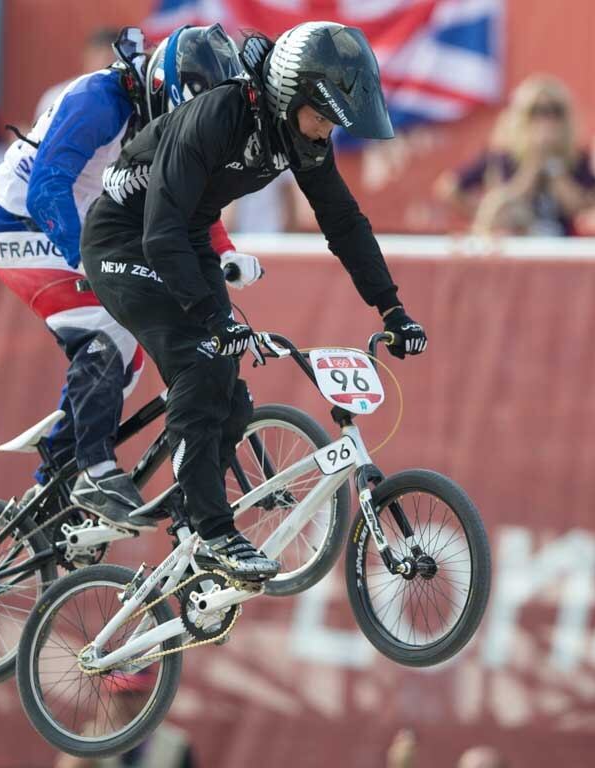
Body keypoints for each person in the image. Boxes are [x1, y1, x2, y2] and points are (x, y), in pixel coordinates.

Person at [82, 22, 428, 580]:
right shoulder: (218, 115)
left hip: (183, 238)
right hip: (127, 239)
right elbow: (159, 231)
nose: (325, 133)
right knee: (200, 359)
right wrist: (209, 317)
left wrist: (392, 309)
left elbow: (342, 222)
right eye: (321, 118)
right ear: (290, 97)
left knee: (231, 389)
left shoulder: (302, 136)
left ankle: (189, 514)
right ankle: (209, 528)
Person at [0, 25, 260, 522]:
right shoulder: (97, 101)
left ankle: (58, 477)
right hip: (22, 223)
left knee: (134, 351)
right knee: (106, 325)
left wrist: (226, 252)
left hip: (89, 224)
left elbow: (189, 201)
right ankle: (92, 469)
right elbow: (47, 188)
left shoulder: (172, 117)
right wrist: (84, 258)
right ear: (164, 92)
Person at [434, 74, 595, 236]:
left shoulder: (574, 158)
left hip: (560, 246)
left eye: (555, 111)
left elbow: (583, 202)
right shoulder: (501, 156)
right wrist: (481, 214)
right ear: (521, 116)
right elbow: (451, 188)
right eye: (536, 111)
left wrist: (554, 168)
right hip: (514, 246)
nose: (546, 120)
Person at [34, 27, 121, 122]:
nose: (104, 64)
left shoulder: (127, 101)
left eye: (111, 59)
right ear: (86, 57)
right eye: (99, 56)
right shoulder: (58, 96)